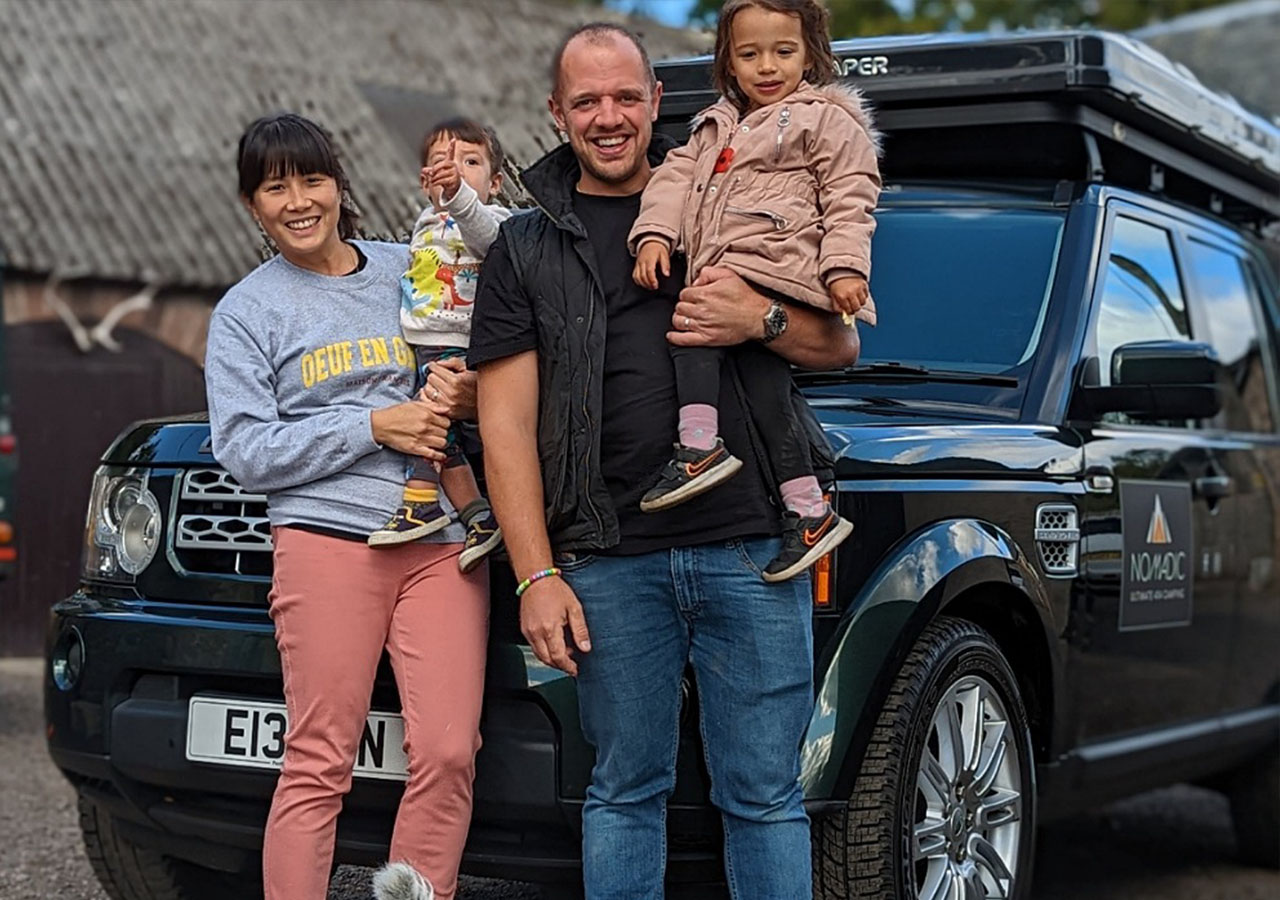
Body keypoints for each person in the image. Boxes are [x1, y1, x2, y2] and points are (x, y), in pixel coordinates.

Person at [469, 22, 858, 900]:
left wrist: (754, 321)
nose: (608, 118)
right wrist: (535, 577)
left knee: (764, 796)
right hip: (609, 561)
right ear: (556, 114)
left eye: (624, 97)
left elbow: (838, 345)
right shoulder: (525, 251)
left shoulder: (730, 197)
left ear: (655, 101)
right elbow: (505, 429)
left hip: (756, 550)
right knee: (622, 792)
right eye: (586, 102)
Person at [205, 112, 487, 900]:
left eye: (312, 179)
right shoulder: (246, 313)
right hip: (329, 544)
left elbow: (480, 341)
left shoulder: (411, 266)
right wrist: (372, 425)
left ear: (339, 186)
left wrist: (469, 393)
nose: (298, 200)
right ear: (251, 205)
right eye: (275, 186)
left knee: (450, 751)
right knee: (319, 758)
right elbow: (245, 449)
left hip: (440, 541)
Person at [628, 0, 880, 582]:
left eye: (784, 51)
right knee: (767, 394)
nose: (768, 66)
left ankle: (698, 446)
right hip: (729, 262)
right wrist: (655, 236)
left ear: (811, 54)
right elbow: (671, 180)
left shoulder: (824, 121)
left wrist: (844, 269)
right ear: (729, 63)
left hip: (777, 263)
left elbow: (851, 197)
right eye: (750, 54)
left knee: (691, 327)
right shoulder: (714, 126)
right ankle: (809, 510)